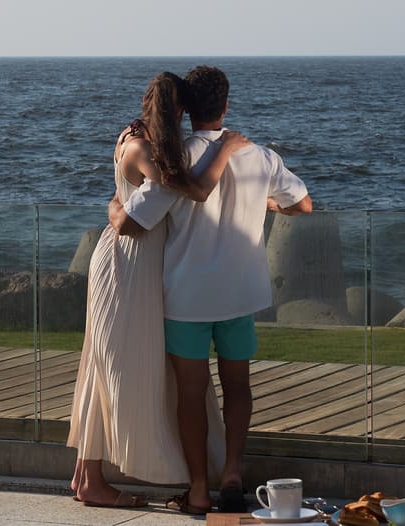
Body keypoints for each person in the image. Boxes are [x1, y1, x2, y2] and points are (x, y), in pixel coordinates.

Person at [109, 65, 312, 514]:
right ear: (225, 105)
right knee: (238, 386)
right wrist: (267, 203)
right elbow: (303, 204)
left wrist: (114, 204)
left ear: (186, 107)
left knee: (190, 395)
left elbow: (133, 223)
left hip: (188, 296)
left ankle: (199, 487)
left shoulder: (174, 159)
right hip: (240, 293)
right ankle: (234, 470)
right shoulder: (259, 155)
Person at [67, 71, 250, 508]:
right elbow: (195, 190)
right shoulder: (148, 150)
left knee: (103, 364)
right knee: (110, 368)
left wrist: (116, 209)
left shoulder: (134, 135)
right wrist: (225, 147)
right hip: (127, 265)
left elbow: (130, 204)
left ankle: (85, 476)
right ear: (179, 109)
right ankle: (90, 479)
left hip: (135, 262)